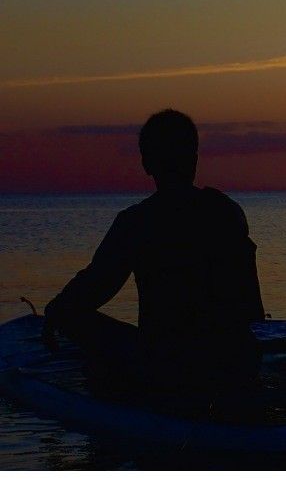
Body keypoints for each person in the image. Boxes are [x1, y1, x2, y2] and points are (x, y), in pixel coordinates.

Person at [42, 109, 265, 402]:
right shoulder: (228, 211)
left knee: (71, 316)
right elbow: (253, 308)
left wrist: (55, 311)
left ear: (147, 164)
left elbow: (94, 287)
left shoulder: (137, 222)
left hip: (167, 367)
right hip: (236, 361)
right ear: (194, 159)